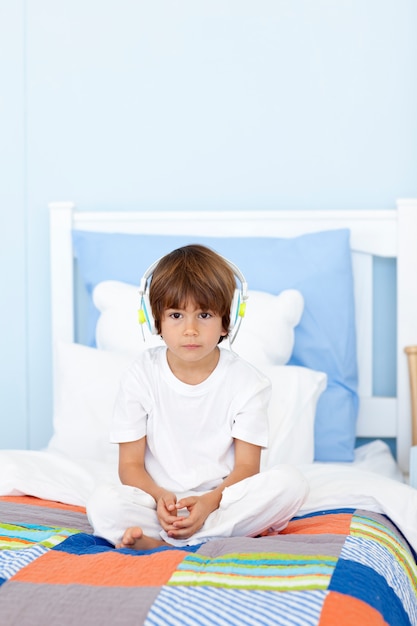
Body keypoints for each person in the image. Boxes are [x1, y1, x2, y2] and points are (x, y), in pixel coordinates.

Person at [87, 244, 308, 550]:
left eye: (204, 314)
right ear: (156, 322)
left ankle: (171, 544)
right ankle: (202, 538)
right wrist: (160, 497)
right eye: (176, 315)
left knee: (290, 484)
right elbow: (130, 465)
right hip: (156, 503)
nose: (190, 329)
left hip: (221, 502)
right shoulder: (141, 374)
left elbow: (247, 468)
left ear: (226, 322)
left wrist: (208, 503)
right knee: (103, 504)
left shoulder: (248, 382)